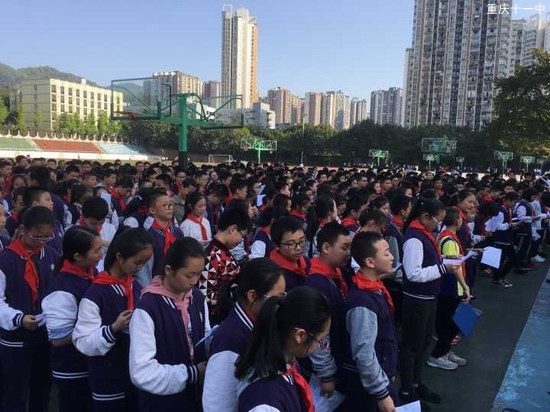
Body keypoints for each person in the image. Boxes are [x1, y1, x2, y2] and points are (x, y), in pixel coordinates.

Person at [73, 228, 154, 412]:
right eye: (137, 262)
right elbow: (83, 342)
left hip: (133, 376)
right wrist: (113, 328)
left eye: (144, 262)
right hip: (108, 378)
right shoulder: (96, 295)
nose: (140, 267)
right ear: (119, 257)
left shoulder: (135, 287)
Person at [129, 238, 210, 411]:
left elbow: (204, 335)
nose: (194, 281)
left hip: (195, 397)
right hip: (162, 402)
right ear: (169, 270)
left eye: (198, 274)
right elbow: (142, 372)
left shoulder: (197, 298)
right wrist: (192, 373)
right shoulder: (148, 308)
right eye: (189, 275)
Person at [203, 258, 286, 412]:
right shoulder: (231, 340)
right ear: (252, 296)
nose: (281, 304)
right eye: (278, 298)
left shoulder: (256, 325)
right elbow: (218, 405)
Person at [399, 198, 459, 408]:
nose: (439, 225)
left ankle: (416, 382)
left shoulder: (424, 234)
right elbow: (413, 273)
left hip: (427, 298)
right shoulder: (415, 238)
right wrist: (442, 268)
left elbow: (427, 262)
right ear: (425, 216)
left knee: (423, 343)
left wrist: (445, 259)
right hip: (417, 300)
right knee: (411, 346)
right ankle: (406, 390)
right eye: (438, 220)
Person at [0, 206, 59, 412]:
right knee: (14, 393)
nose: (42, 241)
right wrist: (19, 319)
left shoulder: (51, 255)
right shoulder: (6, 260)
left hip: (44, 335)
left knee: (41, 390)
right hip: (15, 339)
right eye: (37, 236)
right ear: (23, 230)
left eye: (47, 236)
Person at [235, 286, 331, 412]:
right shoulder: (265, 402)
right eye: (320, 341)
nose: (321, 346)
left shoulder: (285, 364)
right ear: (300, 336)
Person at [41, 226, 103, 412]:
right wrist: (102, 329)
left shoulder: (92, 274)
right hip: (72, 368)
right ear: (78, 256)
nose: (101, 255)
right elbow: (58, 338)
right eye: (96, 251)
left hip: (88, 364)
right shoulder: (63, 287)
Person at [342, 231, 399, 411]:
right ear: (370, 262)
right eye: (386, 254)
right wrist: (381, 392)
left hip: (383, 372)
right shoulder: (362, 303)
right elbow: (364, 353)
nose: (392, 257)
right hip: (371, 390)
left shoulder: (375, 288)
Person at [305, 222, 351, 397]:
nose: (348, 253)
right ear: (325, 247)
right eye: (344, 248)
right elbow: (317, 332)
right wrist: (326, 374)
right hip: (325, 368)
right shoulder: (317, 283)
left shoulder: (337, 273)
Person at [427, 208, 470, 371]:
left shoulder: (445, 236)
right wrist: (464, 286)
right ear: (457, 221)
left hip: (448, 287)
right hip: (450, 288)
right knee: (451, 323)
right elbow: (454, 267)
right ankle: (437, 355)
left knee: (448, 322)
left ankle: (445, 351)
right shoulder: (449, 240)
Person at [200, 208, 250, 323]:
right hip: (215, 319)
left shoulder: (221, 251)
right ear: (233, 229)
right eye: (242, 236)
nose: (241, 241)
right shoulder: (213, 256)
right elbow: (205, 296)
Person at [137, 189, 183, 287]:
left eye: (171, 204)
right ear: (152, 210)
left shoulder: (178, 232)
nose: (170, 208)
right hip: (156, 285)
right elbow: (145, 272)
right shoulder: (149, 237)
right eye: (165, 205)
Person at [270, 217, 311, 291]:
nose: (298, 248)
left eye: (301, 241)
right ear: (277, 245)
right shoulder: (273, 274)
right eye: (291, 244)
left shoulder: (306, 262)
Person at [79, 197, 117, 271]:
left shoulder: (110, 229)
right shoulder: (75, 232)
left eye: (101, 223)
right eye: (93, 224)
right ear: (83, 216)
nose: (98, 226)